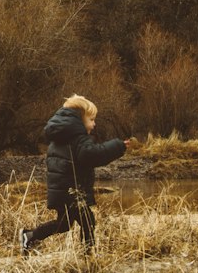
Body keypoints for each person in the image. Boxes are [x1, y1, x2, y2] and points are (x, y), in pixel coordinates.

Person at [21, 94, 136, 255]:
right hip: (72, 192)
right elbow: (93, 155)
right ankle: (87, 253)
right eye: (91, 119)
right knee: (88, 221)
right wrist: (117, 146)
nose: (94, 124)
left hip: (62, 190)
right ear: (79, 120)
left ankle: (29, 236)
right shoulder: (79, 139)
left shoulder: (60, 137)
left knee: (64, 224)